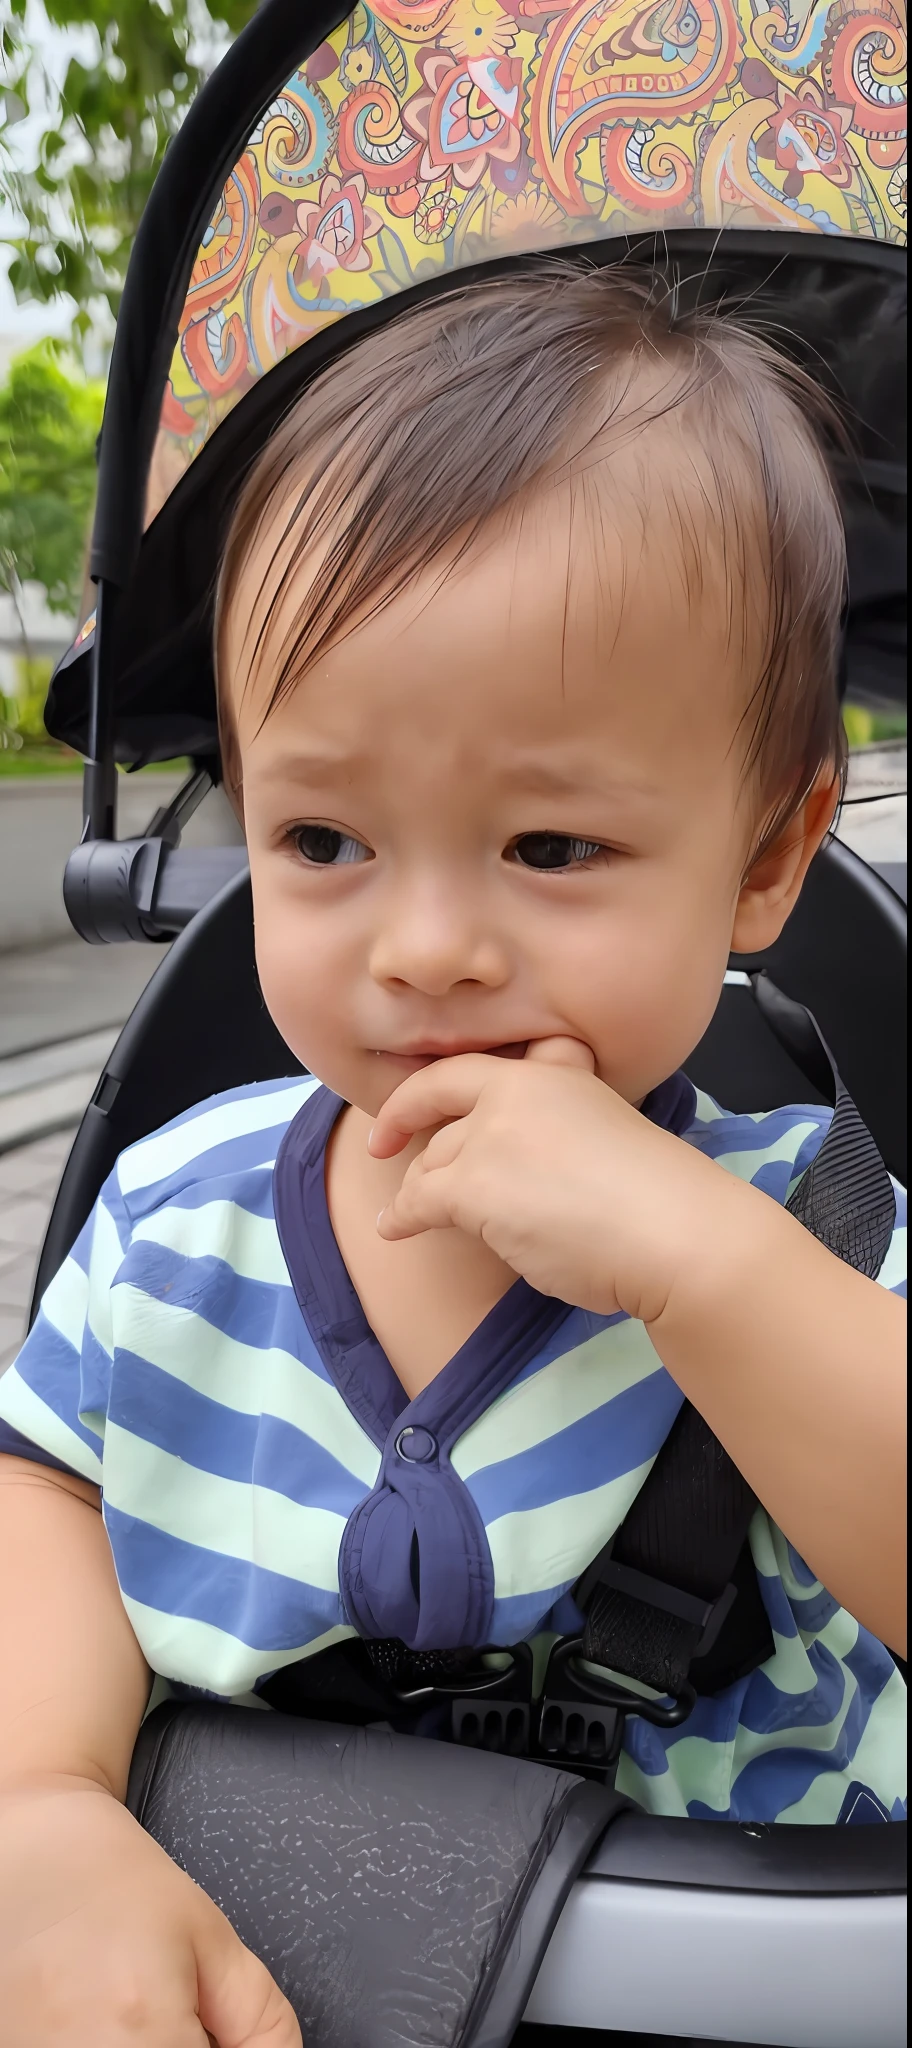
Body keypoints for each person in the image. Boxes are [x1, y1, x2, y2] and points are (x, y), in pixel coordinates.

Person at [0, 268, 905, 2047]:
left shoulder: (819, 1236)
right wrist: (39, 1806)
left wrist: (703, 1267)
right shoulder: (174, 1220)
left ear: (767, 856)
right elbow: (51, 1493)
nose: (425, 946)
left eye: (551, 844)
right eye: (323, 836)